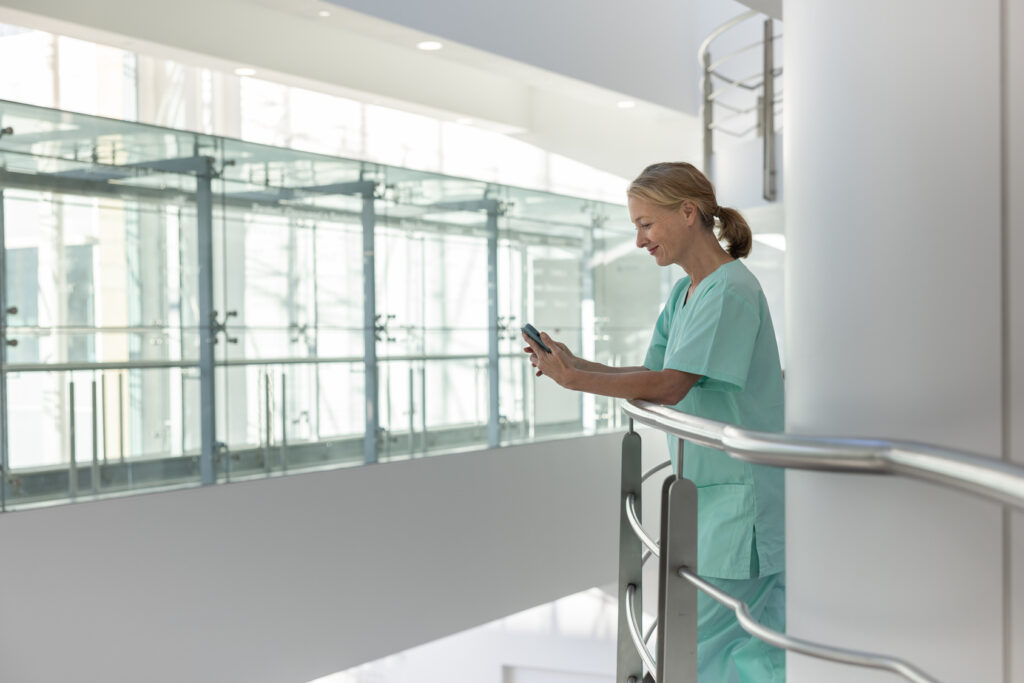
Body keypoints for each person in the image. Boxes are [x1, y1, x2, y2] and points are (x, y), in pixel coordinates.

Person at [523, 162, 785, 682]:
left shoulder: (730, 291)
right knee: (719, 649)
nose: (640, 240)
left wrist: (578, 383)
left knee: (722, 651)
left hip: (741, 504)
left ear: (688, 213)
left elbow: (672, 386)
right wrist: (575, 365)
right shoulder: (687, 291)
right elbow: (654, 371)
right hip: (711, 499)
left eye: (646, 224)